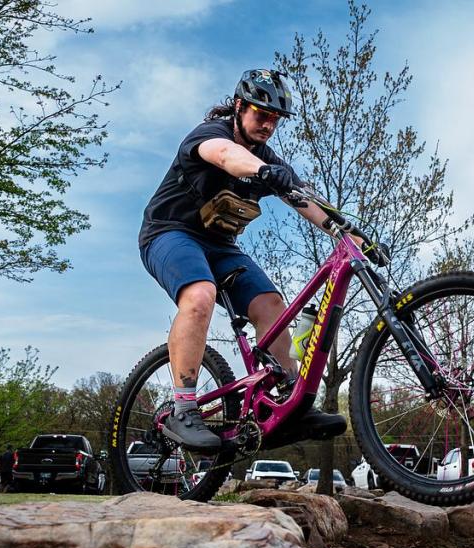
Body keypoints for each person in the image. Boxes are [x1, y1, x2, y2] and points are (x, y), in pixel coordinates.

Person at [139, 68, 347, 449]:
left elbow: (305, 199)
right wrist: (265, 171)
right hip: (170, 233)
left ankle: (289, 402)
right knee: (200, 295)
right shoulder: (210, 135)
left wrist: (346, 233)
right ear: (239, 107)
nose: (268, 124)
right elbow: (227, 156)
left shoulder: (268, 157)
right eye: (260, 114)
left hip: (221, 247)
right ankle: (183, 408)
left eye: (275, 119)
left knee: (272, 305)